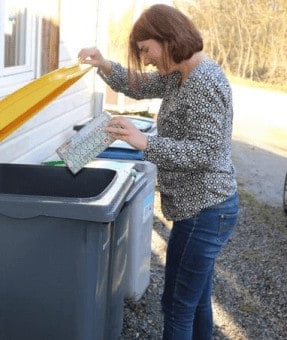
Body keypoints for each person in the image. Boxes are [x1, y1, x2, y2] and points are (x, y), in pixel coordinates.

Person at [78, 4, 238, 340]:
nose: (147, 58)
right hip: (201, 209)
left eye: (146, 49)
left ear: (168, 39)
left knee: (177, 307)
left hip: (205, 211)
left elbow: (207, 152)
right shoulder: (180, 75)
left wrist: (145, 143)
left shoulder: (202, 82)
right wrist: (104, 65)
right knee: (195, 303)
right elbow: (140, 85)